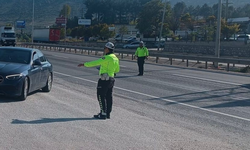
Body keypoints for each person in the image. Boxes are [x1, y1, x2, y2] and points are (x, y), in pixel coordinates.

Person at [78, 42, 120, 120]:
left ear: (107, 49)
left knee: (100, 95)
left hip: (104, 79)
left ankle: (103, 113)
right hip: (111, 79)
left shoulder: (107, 57)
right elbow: (117, 70)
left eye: (104, 48)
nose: (104, 50)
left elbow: (96, 62)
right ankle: (107, 113)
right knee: (109, 96)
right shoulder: (115, 58)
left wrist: (84, 64)